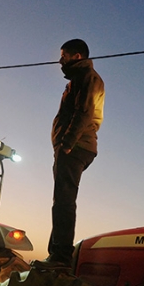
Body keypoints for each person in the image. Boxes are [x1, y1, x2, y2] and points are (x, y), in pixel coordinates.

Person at [33, 38, 105, 270]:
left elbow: (84, 112)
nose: (60, 60)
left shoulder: (87, 78)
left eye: (63, 55)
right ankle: (56, 253)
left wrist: (66, 144)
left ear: (76, 56)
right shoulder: (78, 79)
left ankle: (61, 256)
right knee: (62, 200)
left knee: (64, 200)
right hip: (74, 146)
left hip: (76, 147)